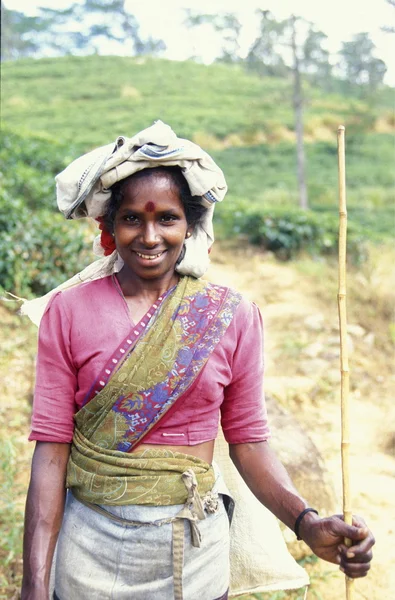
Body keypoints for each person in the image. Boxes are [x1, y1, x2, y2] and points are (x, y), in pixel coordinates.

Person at [21, 121, 374, 600]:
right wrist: (35, 584)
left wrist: (306, 522)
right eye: (131, 219)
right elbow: (51, 450)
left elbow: (248, 441)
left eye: (166, 218)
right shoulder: (69, 312)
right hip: (90, 554)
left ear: (189, 226)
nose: (149, 236)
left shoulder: (232, 317)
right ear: (109, 226)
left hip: (194, 556)